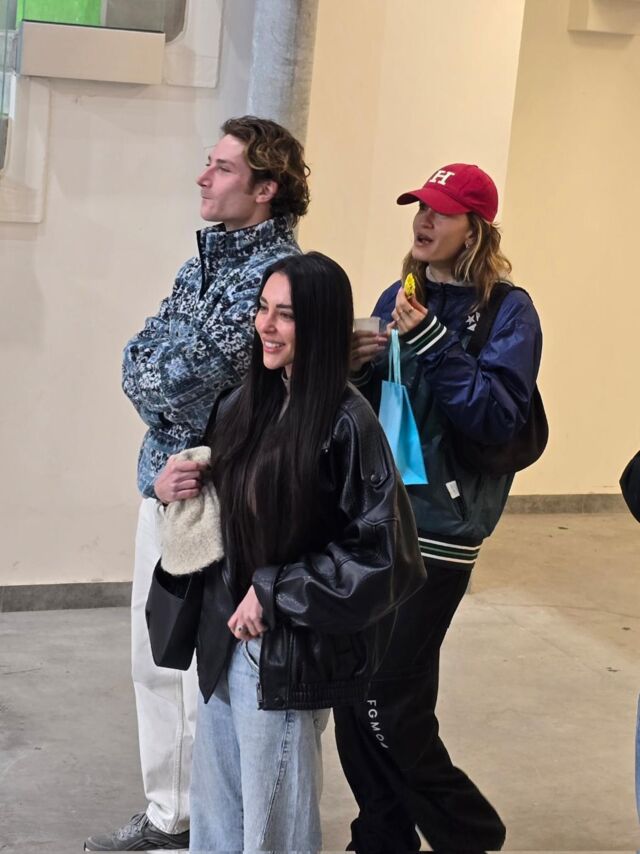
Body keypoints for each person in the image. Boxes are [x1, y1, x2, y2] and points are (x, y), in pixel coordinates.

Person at [84, 116, 310, 852]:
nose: (203, 177)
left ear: (266, 187)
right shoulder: (202, 265)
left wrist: (163, 389)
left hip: (219, 500)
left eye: (222, 167)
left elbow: (184, 381)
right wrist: (163, 407)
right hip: (167, 484)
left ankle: (199, 822)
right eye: (208, 163)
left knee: (198, 675)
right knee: (154, 658)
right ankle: (168, 814)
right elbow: (140, 362)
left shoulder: (273, 276)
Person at [155, 251, 426, 853]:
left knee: (273, 833)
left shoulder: (348, 423)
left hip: (285, 653)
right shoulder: (241, 405)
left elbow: (386, 556)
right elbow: (221, 513)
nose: (266, 326)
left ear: (322, 326)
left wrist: (276, 590)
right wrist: (169, 486)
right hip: (224, 638)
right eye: (262, 308)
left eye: (285, 315)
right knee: (216, 824)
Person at [334, 163, 543, 853]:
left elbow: (497, 416)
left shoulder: (510, 311)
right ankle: (382, 835)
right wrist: (356, 366)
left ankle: (468, 832)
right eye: (420, 207)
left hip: (442, 533)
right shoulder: (401, 293)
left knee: (385, 695)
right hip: (377, 518)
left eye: (442, 212)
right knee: (356, 691)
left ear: (474, 230)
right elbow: (375, 410)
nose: (424, 221)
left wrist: (430, 343)